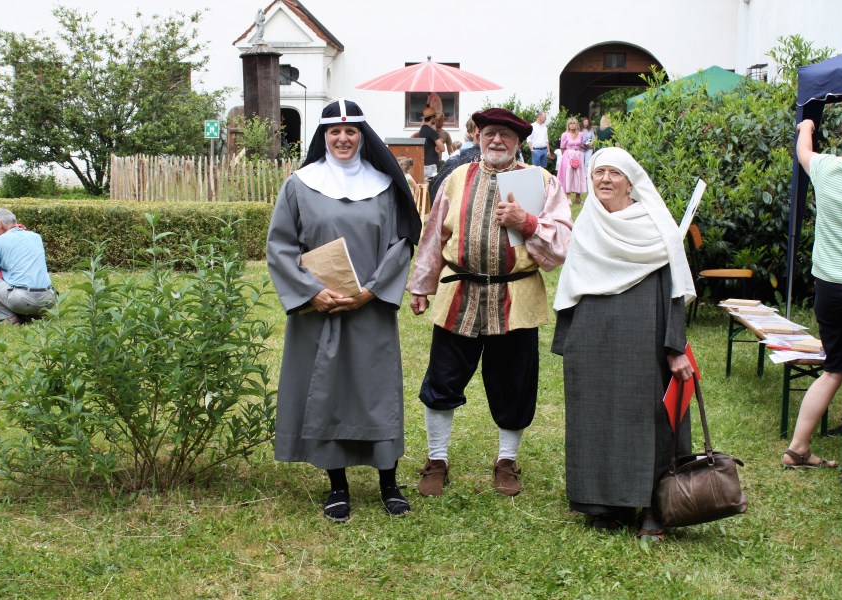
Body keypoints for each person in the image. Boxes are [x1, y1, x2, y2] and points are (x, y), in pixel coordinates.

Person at [266, 99, 422, 522]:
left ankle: (388, 482)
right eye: (334, 132)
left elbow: (400, 243)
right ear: (323, 136)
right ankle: (338, 486)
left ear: (362, 135)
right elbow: (280, 246)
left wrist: (372, 291)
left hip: (369, 308)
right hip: (321, 308)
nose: (343, 138)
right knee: (327, 391)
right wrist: (312, 292)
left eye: (351, 131)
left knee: (376, 393)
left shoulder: (385, 186)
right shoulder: (300, 185)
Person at [407, 107, 572, 498]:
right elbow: (433, 235)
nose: (496, 140)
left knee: (514, 384)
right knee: (442, 379)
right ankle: (437, 459)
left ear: (518, 142)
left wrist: (527, 222)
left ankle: (506, 461)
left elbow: (564, 243)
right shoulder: (456, 179)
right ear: (478, 137)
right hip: (458, 295)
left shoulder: (542, 182)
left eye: (506, 135)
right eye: (489, 133)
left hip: (516, 297)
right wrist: (420, 285)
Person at [553, 147, 696, 541]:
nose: (604, 180)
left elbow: (674, 288)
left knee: (648, 416)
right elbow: (573, 285)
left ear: (630, 181)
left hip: (644, 333)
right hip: (594, 337)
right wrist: (568, 341)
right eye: (599, 173)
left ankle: (654, 506)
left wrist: (674, 345)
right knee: (596, 417)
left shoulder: (655, 224)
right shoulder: (588, 223)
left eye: (614, 173)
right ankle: (606, 504)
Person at [782, 108, 842, 484]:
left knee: (834, 368)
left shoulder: (826, 168)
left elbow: (803, 149)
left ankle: (798, 447)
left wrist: (807, 125)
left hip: (829, 288)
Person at [0, 208, 56, 324]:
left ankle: (8, 318)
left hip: (22, 301)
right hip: (48, 300)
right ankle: (35, 315)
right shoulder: (36, 237)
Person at [557, 118, 587, 204]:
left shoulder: (581, 134)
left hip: (578, 155)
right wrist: (565, 157)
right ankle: (568, 197)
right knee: (568, 176)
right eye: (571, 124)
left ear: (576, 124)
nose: (572, 125)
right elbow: (562, 147)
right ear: (568, 125)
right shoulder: (564, 135)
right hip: (568, 156)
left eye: (574, 123)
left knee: (579, 176)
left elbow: (581, 145)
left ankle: (578, 197)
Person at [418, 106, 445, 180]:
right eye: (435, 117)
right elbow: (442, 148)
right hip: (431, 166)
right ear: (432, 118)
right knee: (432, 187)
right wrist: (439, 148)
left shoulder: (422, 130)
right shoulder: (431, 132)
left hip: (424, 164)